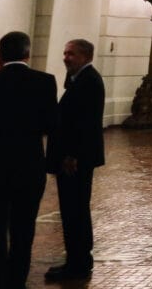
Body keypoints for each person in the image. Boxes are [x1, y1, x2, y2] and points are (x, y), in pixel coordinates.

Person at [0, 31, 57, 289]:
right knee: (23, 230)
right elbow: (50, 125)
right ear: (28, 54)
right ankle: (16, 281)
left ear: (1, 56)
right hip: (28, 167)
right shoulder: (45, 82)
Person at [46, 39, 105, 282]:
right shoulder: (81, 79)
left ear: (85, 56)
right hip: (78, 157)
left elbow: (83, 124)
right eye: (65, 53)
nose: (65, 58)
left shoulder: (88, 81)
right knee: (75, 209)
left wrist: (72, 155)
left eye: (71, 54)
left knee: (74, 210)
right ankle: (78, 258)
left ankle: (77, 264)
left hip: (75, 160)